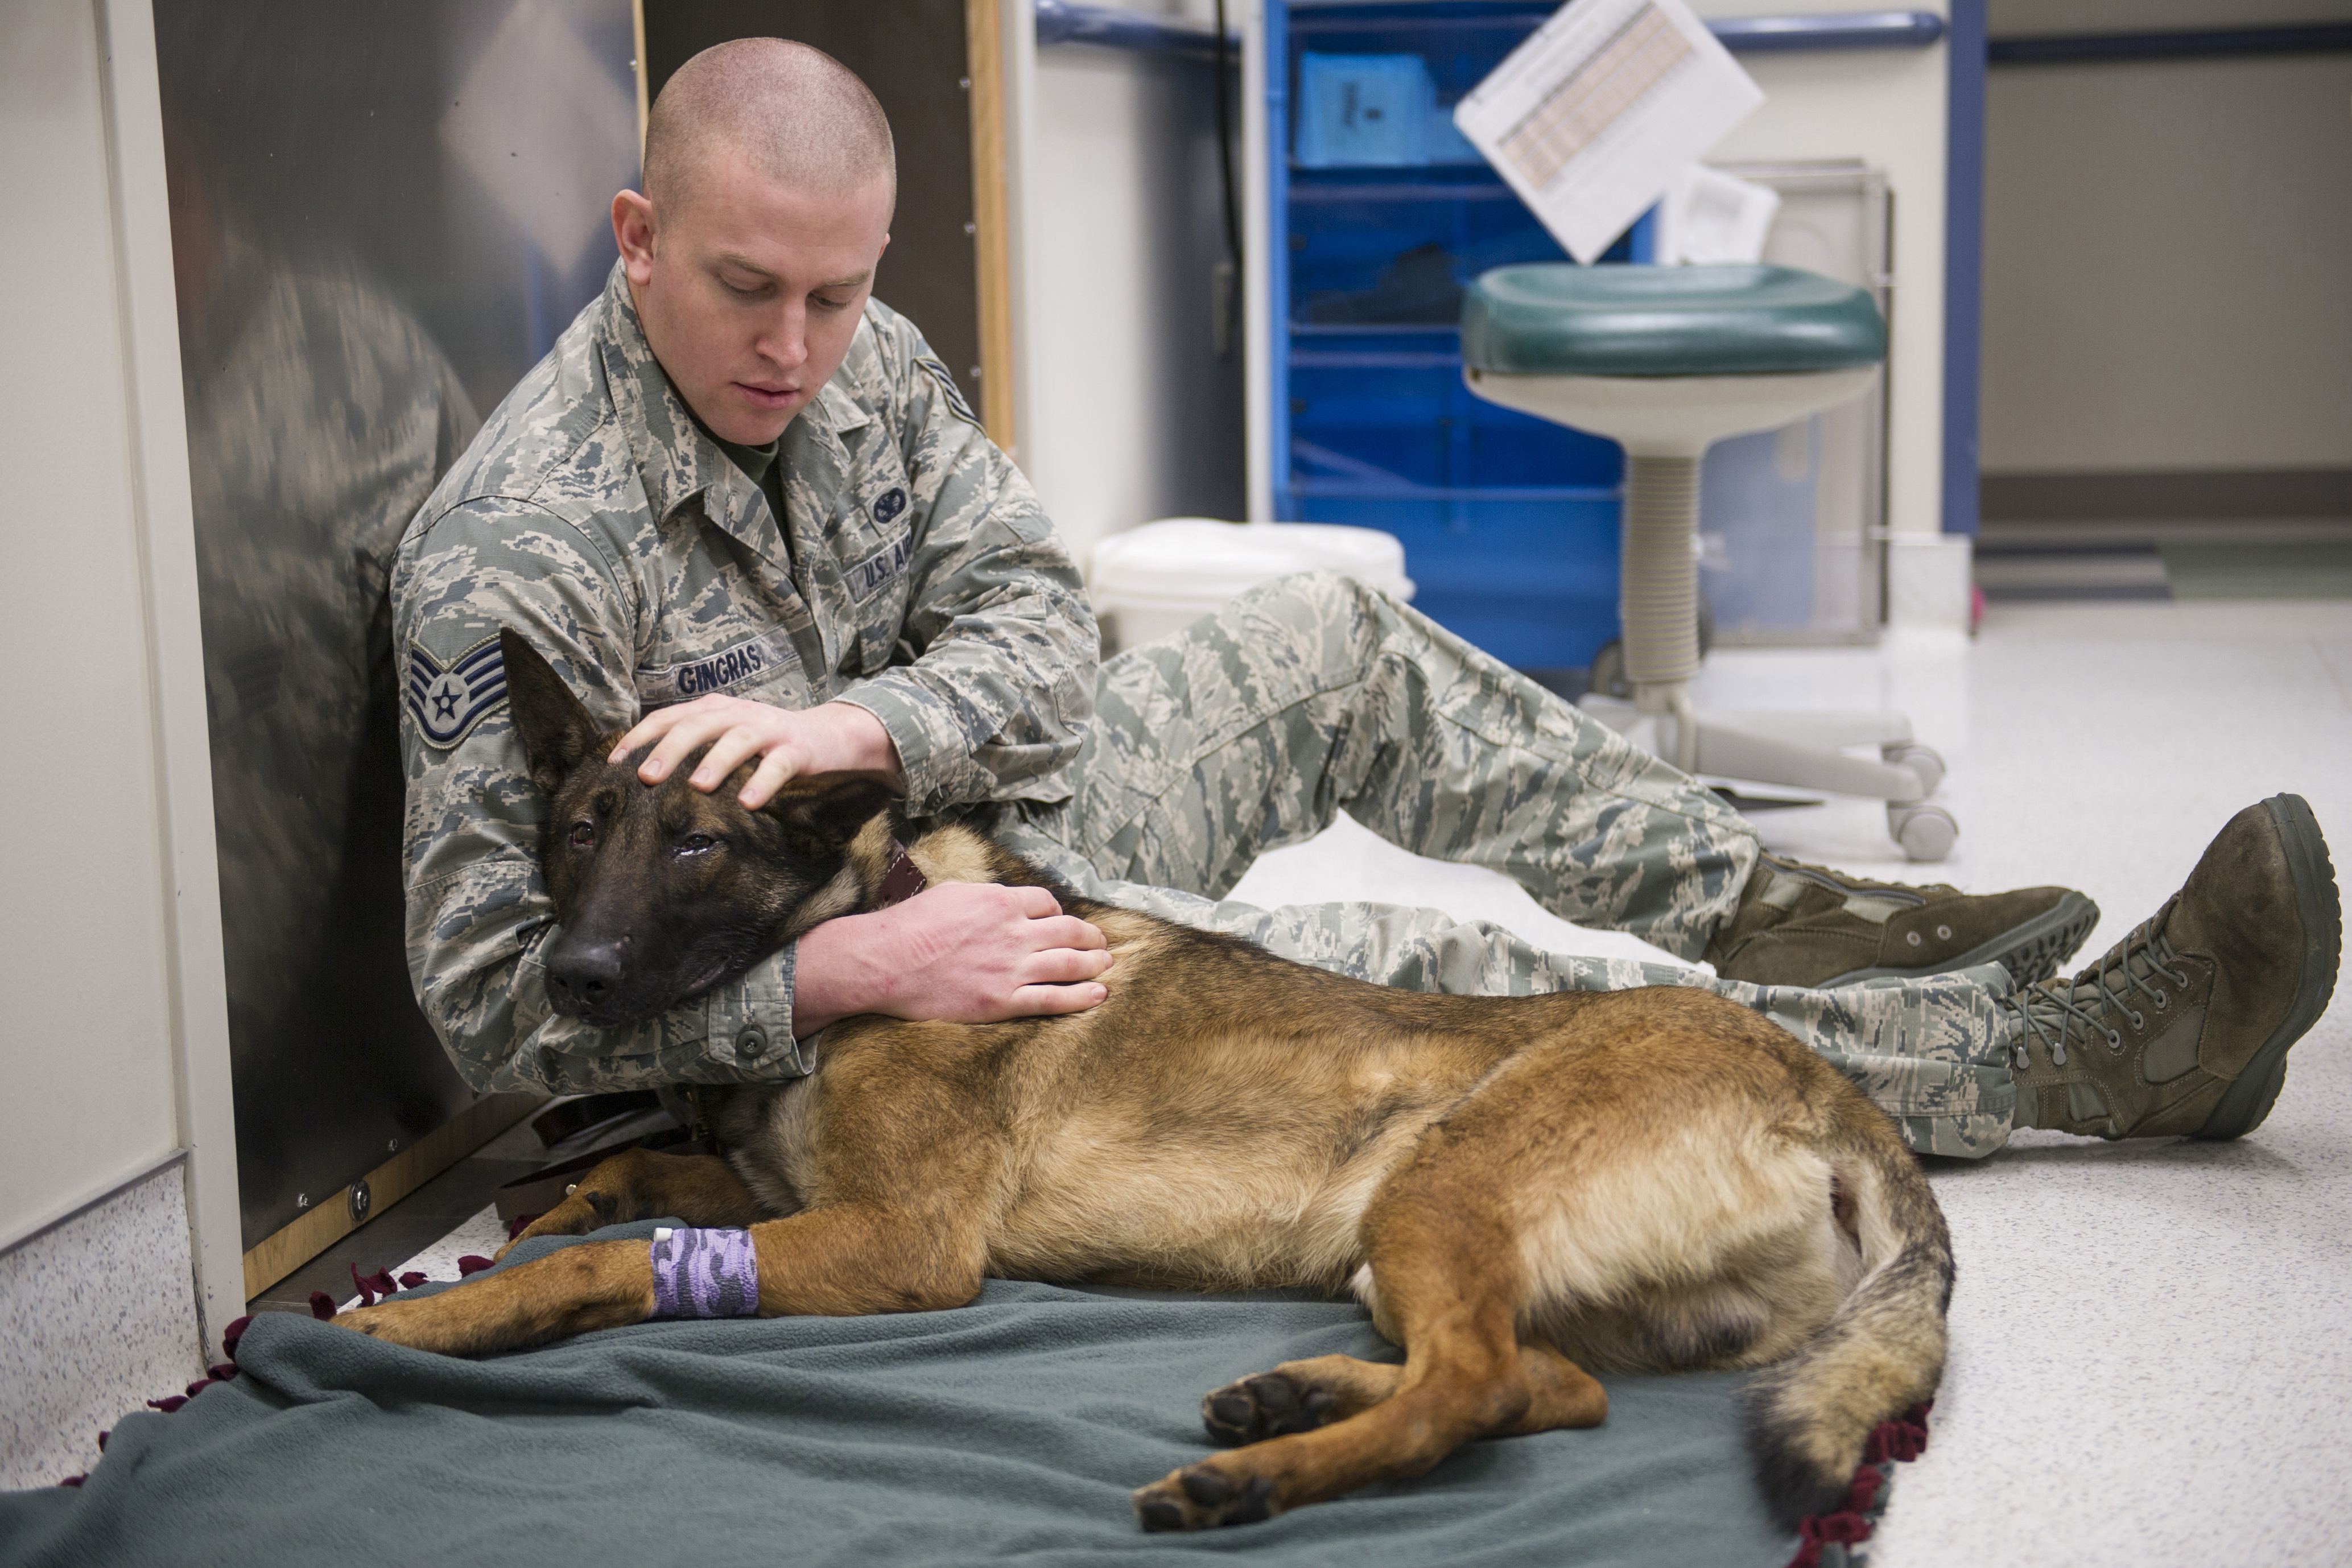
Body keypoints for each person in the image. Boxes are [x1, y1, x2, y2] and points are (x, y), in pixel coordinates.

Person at [391, 39, 2338, 1162]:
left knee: (1328, 630)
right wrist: (841, 968)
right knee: (1408, 970)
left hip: (964, 836)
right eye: (749, 290)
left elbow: (1040, 627)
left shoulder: (864, 355)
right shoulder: (518, 552)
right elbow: (491, 1007)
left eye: (840, 292)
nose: (803, 347)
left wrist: (877, 725)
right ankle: (2060, 1065)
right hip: (819, 1018)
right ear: (636, 242)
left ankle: (1811, 922)